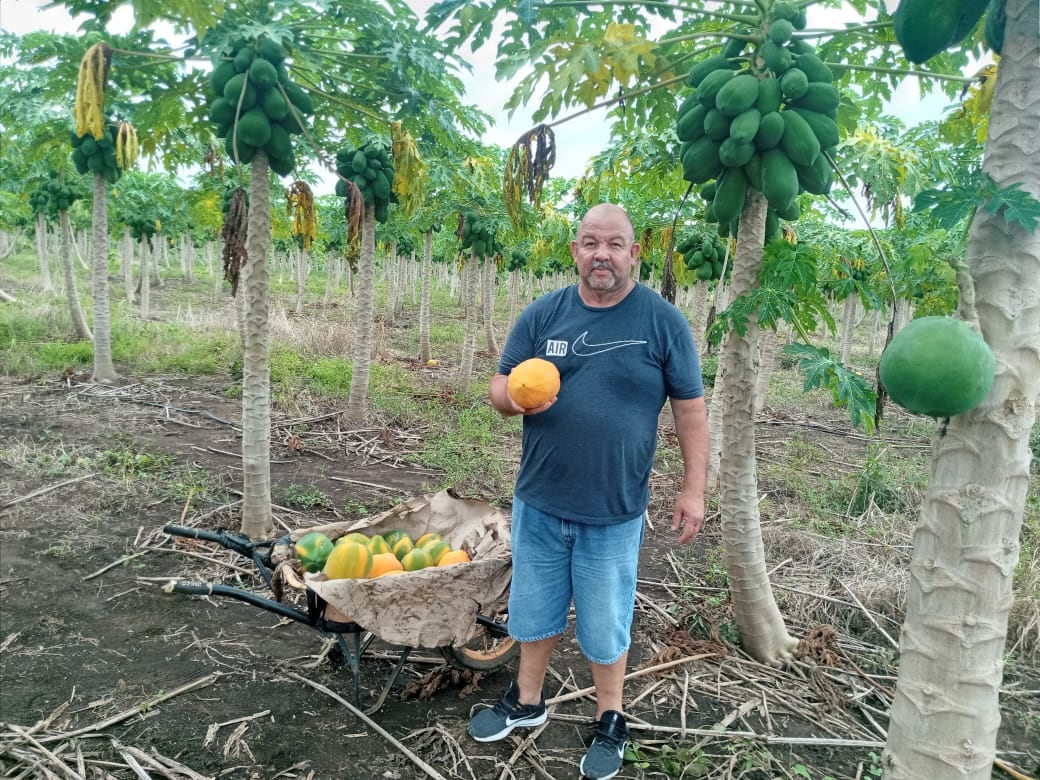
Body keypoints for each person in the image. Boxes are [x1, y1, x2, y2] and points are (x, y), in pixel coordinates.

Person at [467, 203, 709, 780]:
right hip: (541, 500)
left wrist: (694, 487)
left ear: (633, 254)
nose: (602, 254)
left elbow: (691, 411)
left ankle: (610, 716)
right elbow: (499, 386)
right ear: (575, 250)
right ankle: (526, 702)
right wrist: (514, 399)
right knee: (534, 610)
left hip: (614, 508)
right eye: (590, 242)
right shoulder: (543, 315)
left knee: (604, 624)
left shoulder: (662, 321)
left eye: (615, 244)